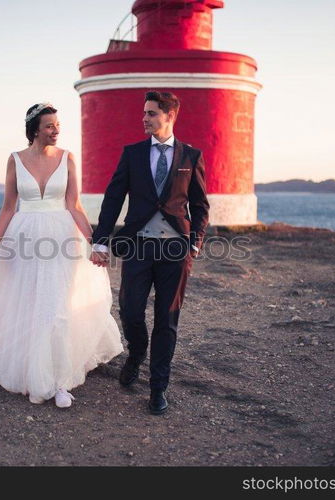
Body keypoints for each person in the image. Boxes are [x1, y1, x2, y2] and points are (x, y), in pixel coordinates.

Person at [0, 102, 123, 408]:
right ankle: (28, 367)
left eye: (57, 125)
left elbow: (74, 205)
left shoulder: (68, 158)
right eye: (49, 126)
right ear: (34, 130)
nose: (56, 130)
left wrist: (94, 243)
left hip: (61, 237)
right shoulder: (15, 160)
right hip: (23, 236)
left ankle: (58, 380)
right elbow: (9, 207)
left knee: (57, 305)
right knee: (24, 300)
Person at [89, 91, 209, 415]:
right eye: (144, 112)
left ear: (170, 117)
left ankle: (158, 388)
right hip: (139, 244)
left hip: (175, 248)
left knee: (167, 321)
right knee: (130, 310)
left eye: (152, 113)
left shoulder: (191, 157)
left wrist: (194, 242)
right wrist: (100, 241)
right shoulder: (132, 154)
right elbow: (113, 198)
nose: (144, 118)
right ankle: (137, 351)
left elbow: (199, 206)